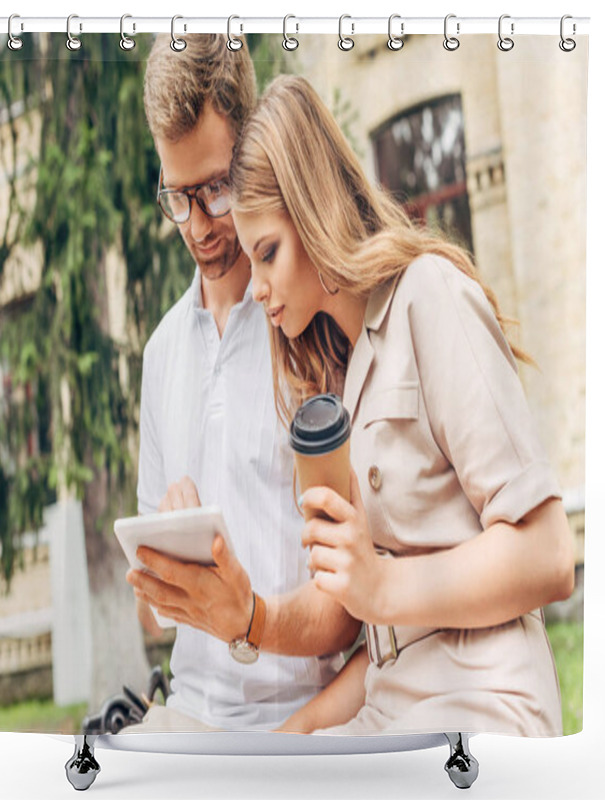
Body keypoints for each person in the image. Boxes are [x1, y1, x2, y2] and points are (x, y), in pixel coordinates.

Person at [228, 75, 575, 736]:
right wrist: (288, 737)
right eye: (250, 263)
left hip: (480, 708)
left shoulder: (429, 297)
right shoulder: (349, 373)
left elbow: (550, 556)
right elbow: (393, 645)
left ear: (313, 211)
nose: (256, 289)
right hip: (394, 709)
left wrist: (381, 588)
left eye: (267, 253)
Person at [125, 37, 359, 732]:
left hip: (301, 721)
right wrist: (169, 560)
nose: (196, 226)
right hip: (188, 715)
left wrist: (246, 615)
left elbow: (351, 614)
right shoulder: (162, 352)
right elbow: (150, 615)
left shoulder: (310, 324)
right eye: (176, 197)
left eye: (215, 190)